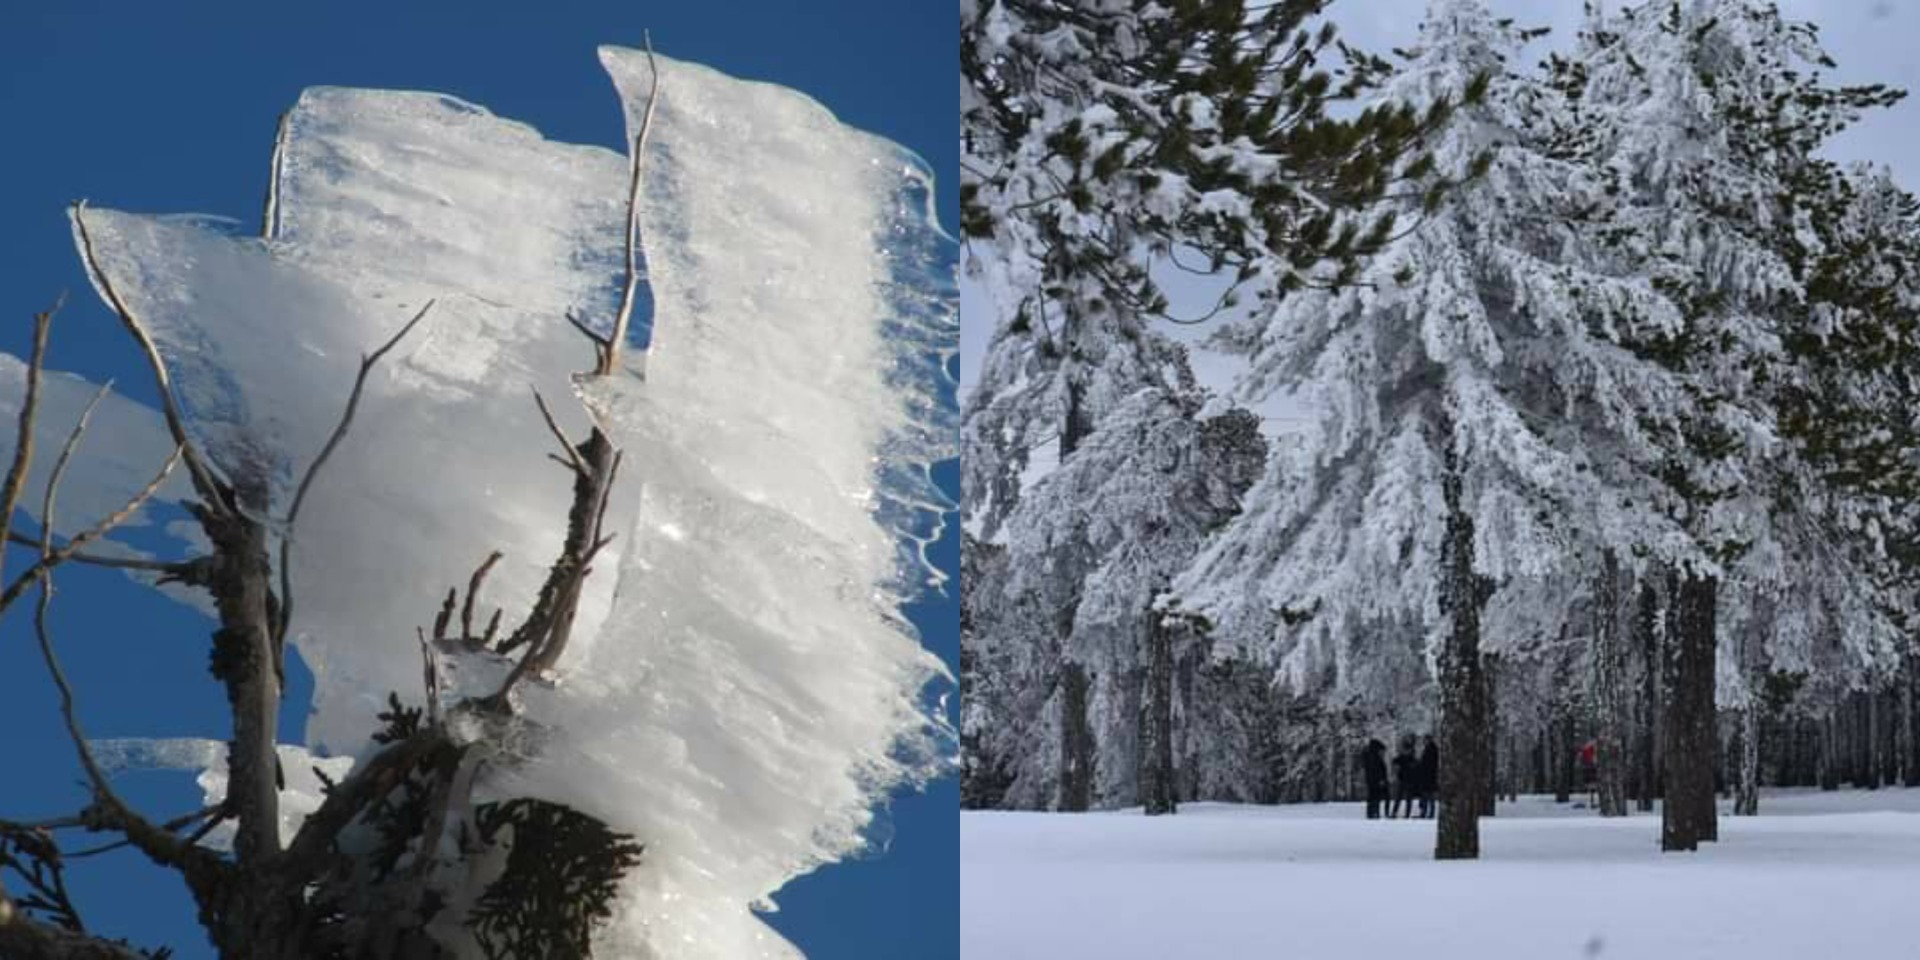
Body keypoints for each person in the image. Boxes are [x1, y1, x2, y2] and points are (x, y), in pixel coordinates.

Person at [1361, 738, 1389, 819]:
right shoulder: (1374, 758)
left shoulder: (1368, 756)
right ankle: (1374, 812)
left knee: (1372, 796)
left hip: (1371, 780)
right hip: (1375, 781)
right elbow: (1377, 770)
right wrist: (1381, 779)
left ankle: (1372, 812)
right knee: (1375, 797)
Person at [1390, 739, 1418, 818]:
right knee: (1398, 798)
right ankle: (1394, 812)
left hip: (1409, 781)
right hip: (1402, 779)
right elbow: (1394, 762)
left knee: (1408, 799)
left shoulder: (1412, 759)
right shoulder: (1401, 758)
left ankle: (1407, 814)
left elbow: (1416, 768)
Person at [1416, 735, 1439, 818]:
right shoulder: (1429, 749)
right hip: (1428, 777)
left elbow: (1428, 764)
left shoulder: (1431, 750)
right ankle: (1426, 812)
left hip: (1429, 777)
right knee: (1427, 796)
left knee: (1428, 796)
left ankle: (1427, 813)